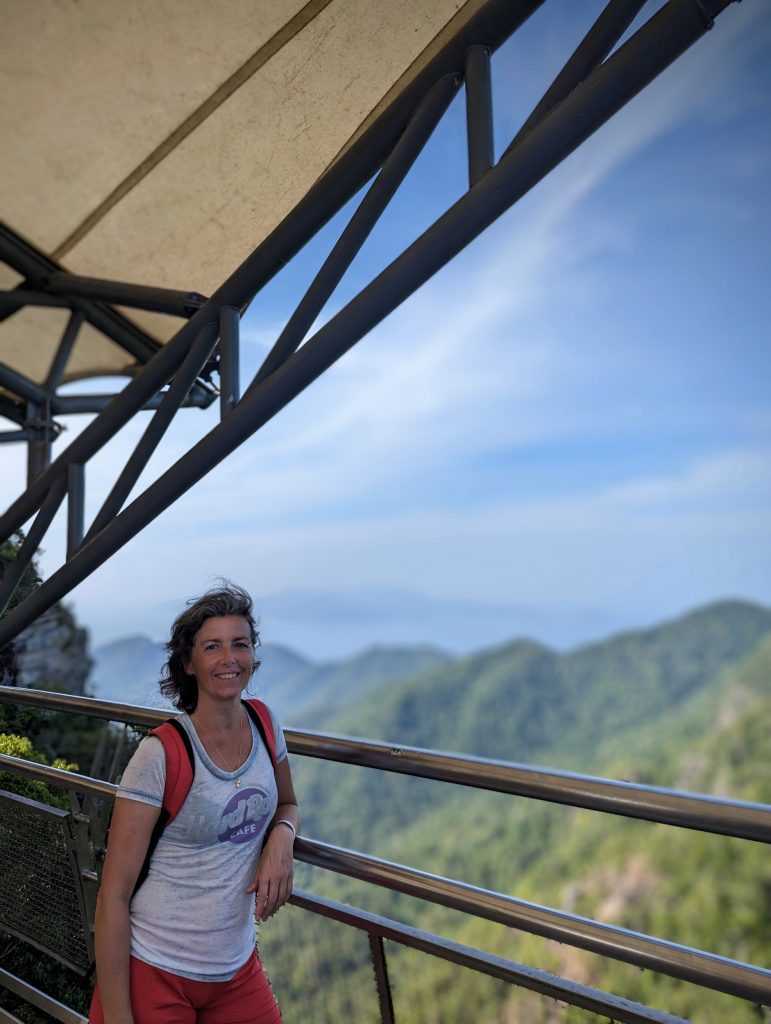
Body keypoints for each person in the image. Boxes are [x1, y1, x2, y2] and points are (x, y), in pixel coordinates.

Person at [90, 582, 299, 1024]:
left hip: (236, 969)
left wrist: (283, 837)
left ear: (253, 655)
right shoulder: (161, 755)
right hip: (157, 969)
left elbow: (288, 804)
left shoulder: (265, 724)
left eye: (239, 644)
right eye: (212, 647)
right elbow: (114, 894)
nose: (229, 659)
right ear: (189, 663)